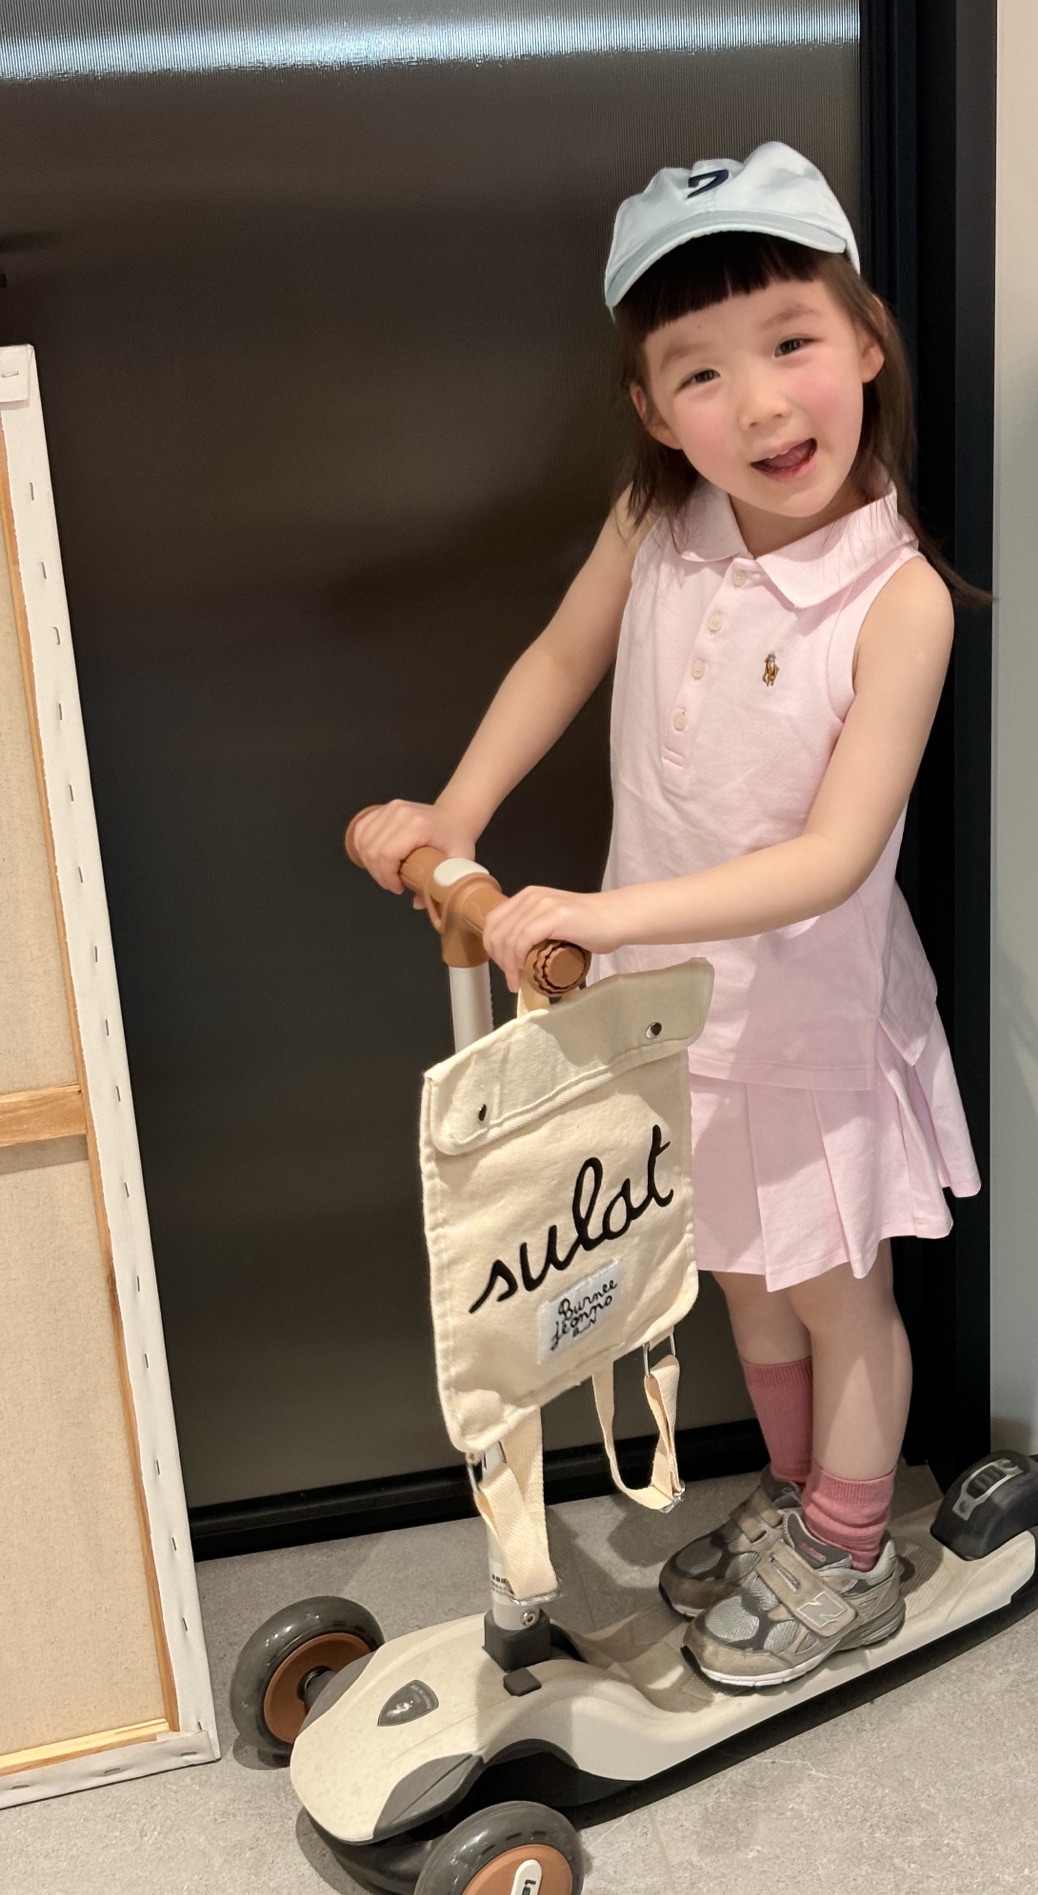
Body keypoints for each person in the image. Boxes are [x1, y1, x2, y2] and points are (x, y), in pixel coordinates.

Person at [353, 142, 985, 1688]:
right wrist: (456, 816)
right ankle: (795, 1496)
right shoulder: (657, 525)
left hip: (806, 1022)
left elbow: (834, 856)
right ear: (651, 410)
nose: (760, 406)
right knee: (740, 1273)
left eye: (792, 342)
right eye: (702, 373)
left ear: (868, 341)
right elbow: (560, 660)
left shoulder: (896, 601)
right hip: (664, 1012)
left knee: (835, 1294)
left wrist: (604, 904)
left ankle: (850, 1545)